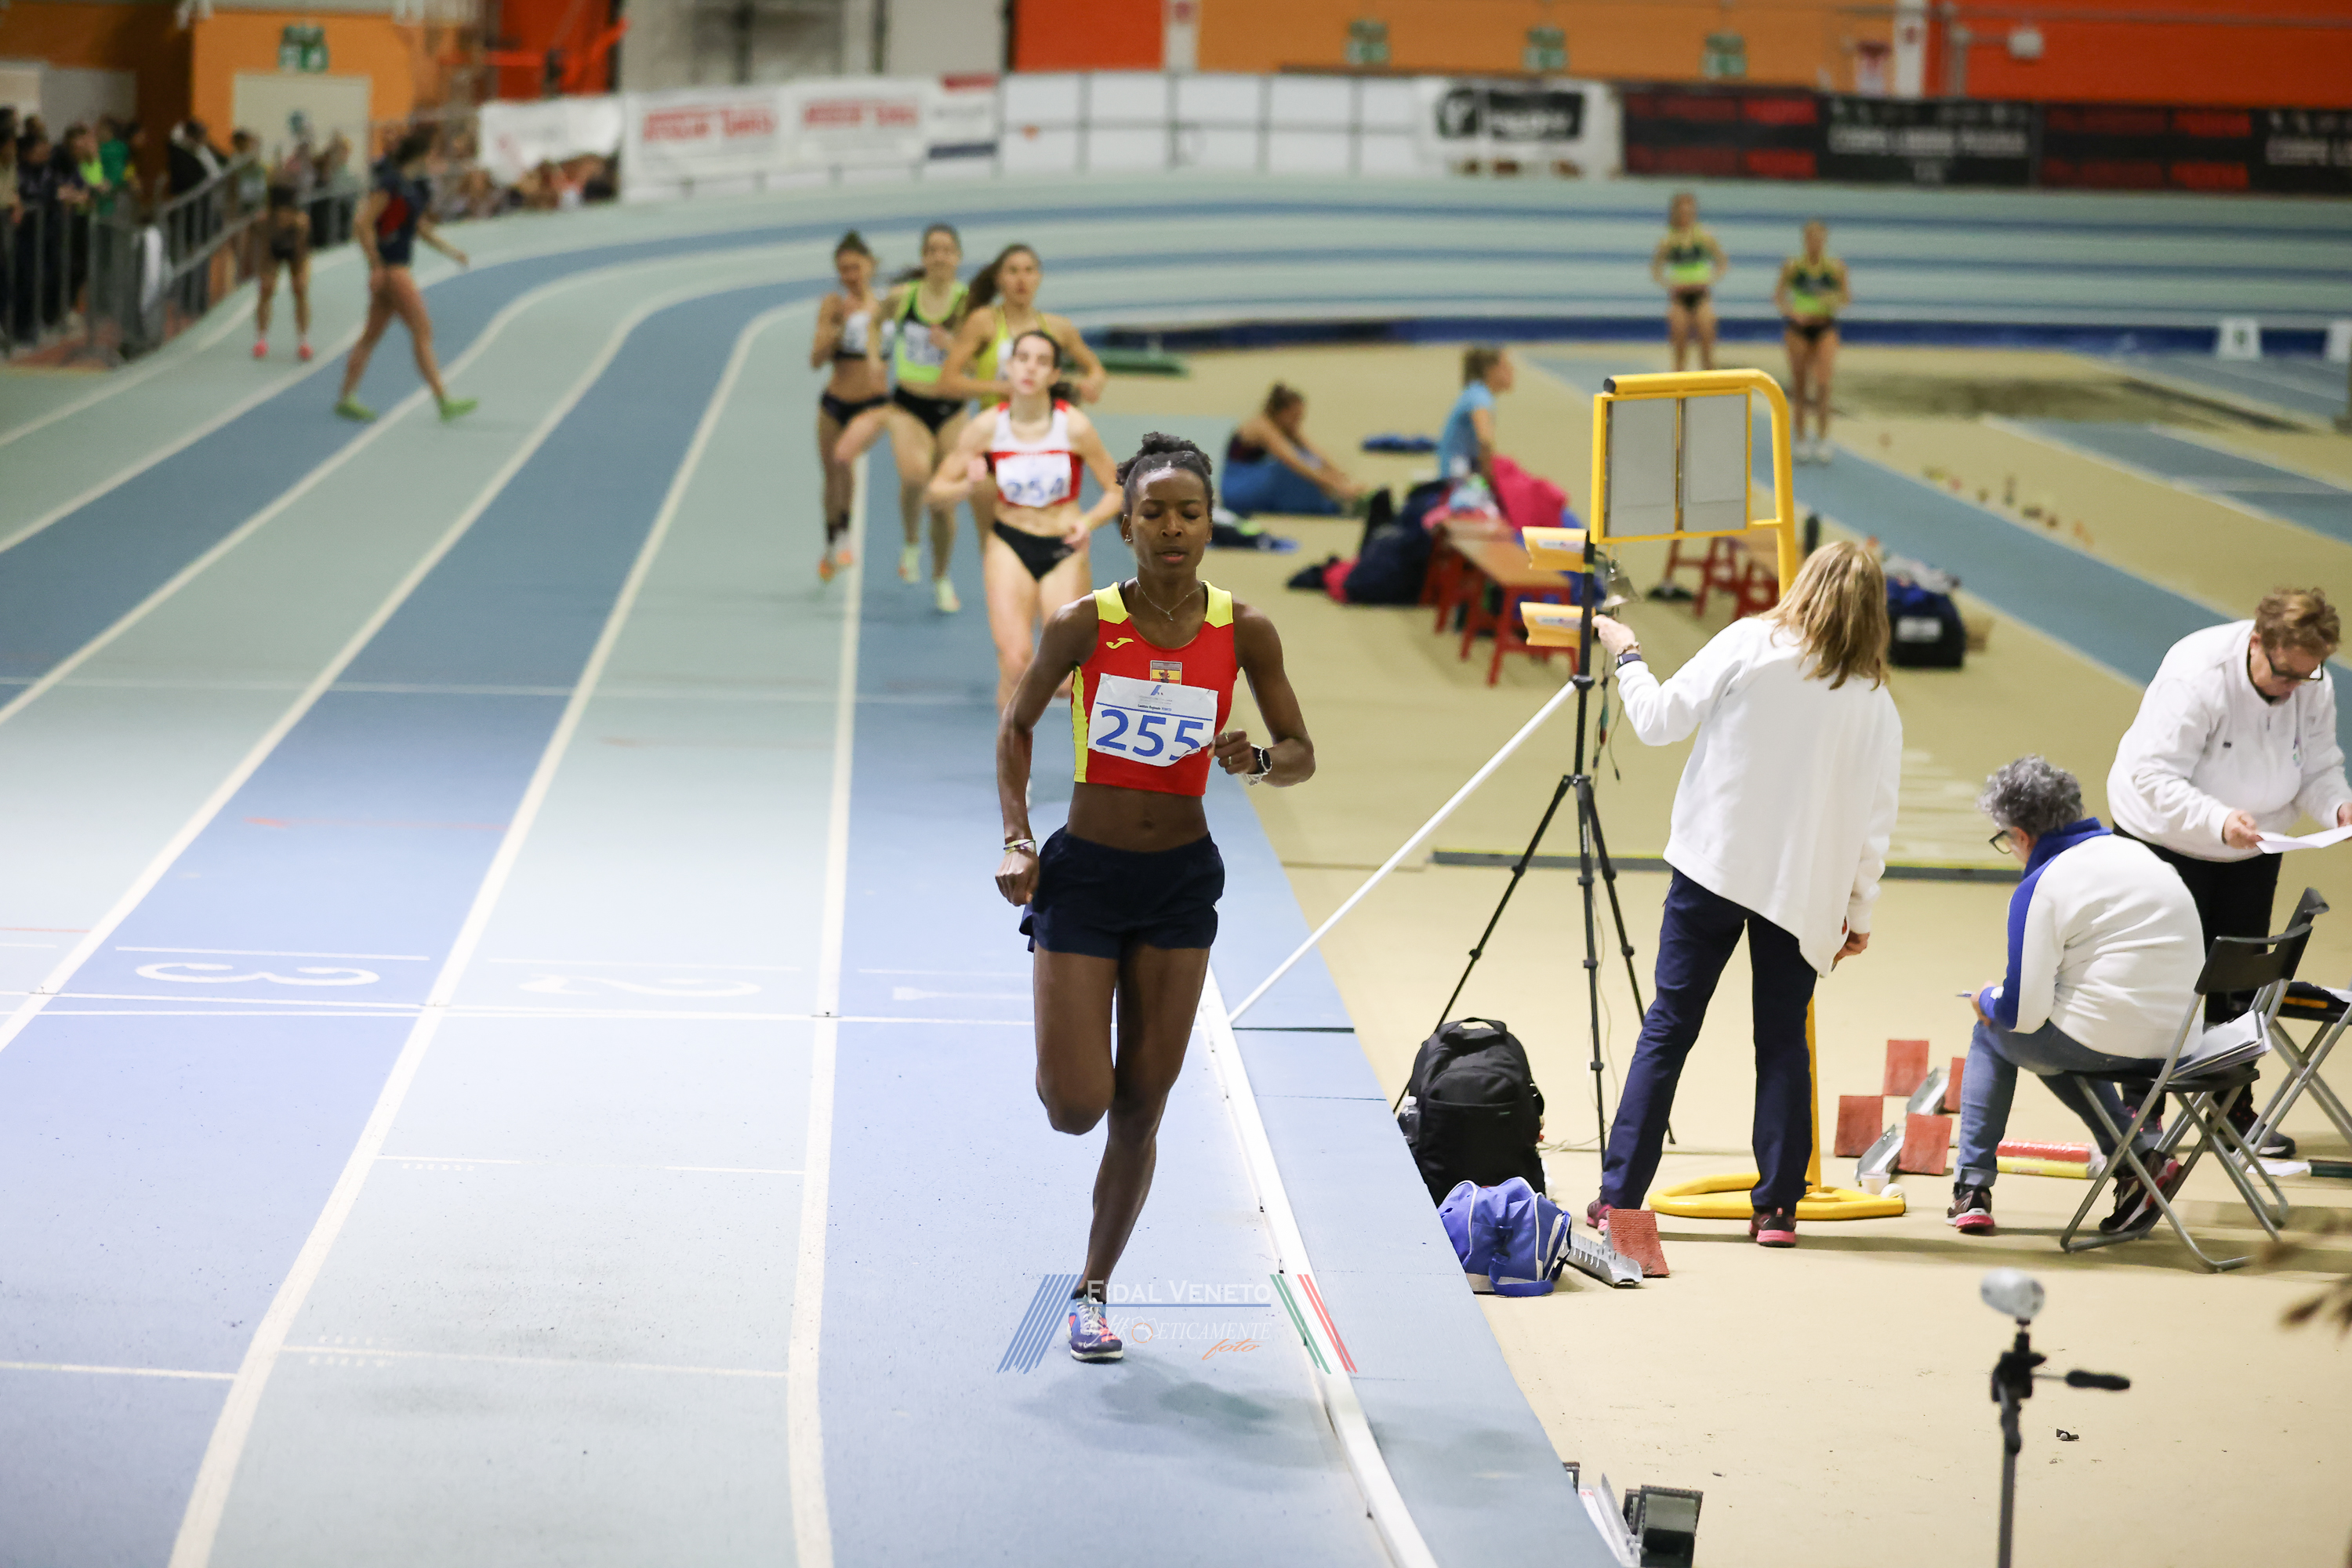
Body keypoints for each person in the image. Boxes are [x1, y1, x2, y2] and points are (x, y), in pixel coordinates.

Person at [993, 432, 1316, 1362]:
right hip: (1086, 875)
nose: (1173, 528)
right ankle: (1063, 1054)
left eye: (1190, 513)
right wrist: (1018, 837)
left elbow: (1300, 752)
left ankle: (1092, 1290)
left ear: (1210, 523)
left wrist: (1258, 758)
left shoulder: (1245, 629)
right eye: (1154, 513)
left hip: (1180, 882)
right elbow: (1016, 726)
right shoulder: (1083, 624)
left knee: (1141, 1107)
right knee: (1076, 1104)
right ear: (1126, 526)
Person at [1587, 539, 1903, 1247]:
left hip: (1713, 869)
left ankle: (1618, 1197)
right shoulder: (1878, 705)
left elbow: (1657, 722)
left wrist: (1628, 654)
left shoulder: (1750, 644)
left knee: (1669, 1026)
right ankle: (1778, 1209)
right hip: (1802, 893)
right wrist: (1858, 913)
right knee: (1783, 1040)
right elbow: (1874, 827)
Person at [2108, 588, 2350, 1159]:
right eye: (2284, 674)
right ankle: (2140, 1115)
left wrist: (2339, 806)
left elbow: (2318, 767)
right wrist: (2217, 820)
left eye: (2307, 675)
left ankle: (2231, 1108)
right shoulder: (2196, 675)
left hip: (2253, 846)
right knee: (2160, 981)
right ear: (2257, 642)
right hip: (2163, 838)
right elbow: (2153, 776)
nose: (2293, 687)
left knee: (2241, 983)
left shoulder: (2310, 681)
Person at [1949, 757, 2202, 1238]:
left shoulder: (2042, 886)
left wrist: (1987, 999)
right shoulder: (2143, 856)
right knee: (2069, 1032)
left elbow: (2022, 1015)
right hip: (2184, 1046)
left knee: (1993, 1031)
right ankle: (2138, 1160)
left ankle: (1972, 1187)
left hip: (2103, 1043)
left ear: (2020, 835)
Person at [929, 330, 1123, 709]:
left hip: (1063, 546)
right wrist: (967, 486)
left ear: (1054, 375)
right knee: (1015, 662)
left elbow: (1117, 489)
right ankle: (1011, 748)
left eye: (1042, 361)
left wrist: (1088, 522)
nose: (1031, 368)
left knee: (1066, 679)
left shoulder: (1074, 427)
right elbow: (936, 493)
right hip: (1010, 542)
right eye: (1023, 359)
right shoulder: (988, 427)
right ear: (1009, 367)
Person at [830, 221, 971, 611]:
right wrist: (875, 359)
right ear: (924, 257)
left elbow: (980, 363)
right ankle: (911, 543)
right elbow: (875, 324)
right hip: (909, 404)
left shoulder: (969, 304)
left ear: (958, 258)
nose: (940, 257)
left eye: (947, 250)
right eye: (933, 250)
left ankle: (941, 577)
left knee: (943, 503)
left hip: (952, 409)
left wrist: (952, 345)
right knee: (914, 476)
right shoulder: (903, 297)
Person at [333, 127, 474, 424]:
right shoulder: (391, 184)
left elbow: (418, 228)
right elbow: (363, 223)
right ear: (422, 155)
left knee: (371, 337)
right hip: (393, 270)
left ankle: (346, 397)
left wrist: (451, 251)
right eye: (433, 154)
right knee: (422, 331)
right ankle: (443, 400)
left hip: (391, 270)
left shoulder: (410, 187)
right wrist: (376, 265)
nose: (435, 160)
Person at [810, 230, 887, 583]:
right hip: (834, 403)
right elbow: (815, 360)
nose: (850, 276)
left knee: (844, 460)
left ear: (870, 265)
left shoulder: (887, 305)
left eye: (855, 268)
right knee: (832, 475)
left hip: (872, 404)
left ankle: (845, 534)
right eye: (843, 270)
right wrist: (837, 329)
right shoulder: (833, 305)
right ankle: (831, 541)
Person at [1221, 383, 1366, 517]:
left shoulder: (1286, 427)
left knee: (1309, 460)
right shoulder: (1261, 426)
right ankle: (1332, 503)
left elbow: (1316, 453)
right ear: (1281, 413)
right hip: (1237, 487)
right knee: (1284, 470)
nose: (1298, 422)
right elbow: (1294, 462)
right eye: (1295, 417)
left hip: (1255, 481)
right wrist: (1336, 486)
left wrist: (1344, 478)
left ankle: (1338, 498)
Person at [1774, 220, 1847, 465]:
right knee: (1800, 383)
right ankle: (1801, 437)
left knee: (1824, 382)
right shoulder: (1793, 266)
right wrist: (1793, 312)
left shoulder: (1835, 267)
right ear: (1805, 240)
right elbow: (1779, 296)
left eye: (1819, 238)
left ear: (1825, 240)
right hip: (1798, 330)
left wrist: (1830, 302)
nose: (1815, 243)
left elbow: (1845, 297)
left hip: (1824, 327)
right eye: (1811, 238)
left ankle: (1824, 437)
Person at [1651, 191, 1726, 372]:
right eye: (1682, 211)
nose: (1685, 215)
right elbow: (1656, 269)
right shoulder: (1669, 240)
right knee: (1680, 353)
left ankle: (1709, 384)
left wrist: (1709, 280)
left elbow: (1722, 262)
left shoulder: (1704, 236)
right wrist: (1669, 284)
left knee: (1707, 348)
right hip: (1679, 298)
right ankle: (1680, 386)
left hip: (1701, 296)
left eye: (1689, 211)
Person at [253, 170, 312, 361]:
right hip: (273, 252)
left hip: (295, 254)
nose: (284, 217)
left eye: (288, 213)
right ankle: (261, 338)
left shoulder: (301, 223)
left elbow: (302, 255)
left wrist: (300, 276)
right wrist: (264, 275)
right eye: (281, 213)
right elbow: (264, 253)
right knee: (266, 288)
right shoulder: (265, 222)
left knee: (300, 289)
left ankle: (304, 340)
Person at [1436, 345, 1513, 485]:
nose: (1512, 370)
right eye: (1505, 366)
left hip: (1459, 470)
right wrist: (1490, 479)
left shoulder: (1475, 393)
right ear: (1490, 370)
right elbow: (1485, 441)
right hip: (1458, 477)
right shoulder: (1479, 397)